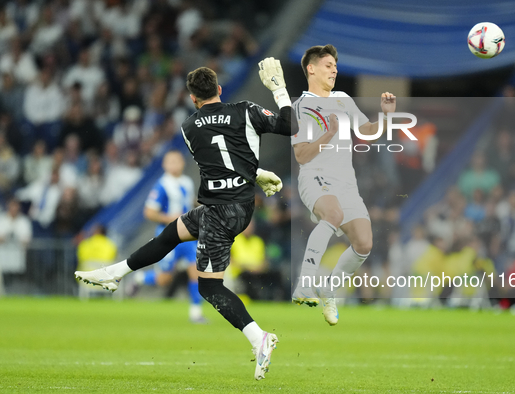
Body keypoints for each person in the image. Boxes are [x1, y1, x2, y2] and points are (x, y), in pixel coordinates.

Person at [75, 59, 295, 380]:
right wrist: (280, 89)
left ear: (193, 98)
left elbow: (215, 159)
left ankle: (259, 338)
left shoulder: (189, 127)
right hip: (236, 206)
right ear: (219, 90)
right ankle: (115, 273)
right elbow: (288, 126)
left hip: (220, 211)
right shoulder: (246, 110)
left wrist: (256, 174)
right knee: (170, 234)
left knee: (209, 287)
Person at [290, 44, 396, 326]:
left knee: (364, 243)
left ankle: (329, 288)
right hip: (315, 174)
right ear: (311, 68)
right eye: (328, 65)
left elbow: (366, 132)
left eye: (335, 66)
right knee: (333, 215)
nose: (334, 70)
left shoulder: (343, 99)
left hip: (346, 182)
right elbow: (301, 154)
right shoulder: (301, 106)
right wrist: (328, 133)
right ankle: (304, 284)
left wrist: (385, 114)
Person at [127, 150, 206, 324]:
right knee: (165, 279)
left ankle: (196, 313)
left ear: (182, 163)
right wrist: (170, 218)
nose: (174, 165)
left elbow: (190, 203)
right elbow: (149, 212)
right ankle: (138, 279)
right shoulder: (161, 185)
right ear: (164, 165)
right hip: (168, 236)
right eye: (170, 162)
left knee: (197, 271)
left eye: (177, 161)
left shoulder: (187, 182)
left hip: (187, 236)